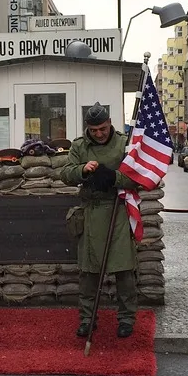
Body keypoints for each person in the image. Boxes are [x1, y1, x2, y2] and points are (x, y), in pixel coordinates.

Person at [59, 102, 141, 339]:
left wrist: (112, 177)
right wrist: (83, 170)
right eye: (94, 130)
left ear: (110, 124)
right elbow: (66, 174)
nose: (99, 134)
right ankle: (87, 319)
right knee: (88, 274)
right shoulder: (79, 146)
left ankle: (126, 319)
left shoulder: (124, 144)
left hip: (118, 213)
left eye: (103, 129)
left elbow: (137, 177)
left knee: (125, 272)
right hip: (91, 213)